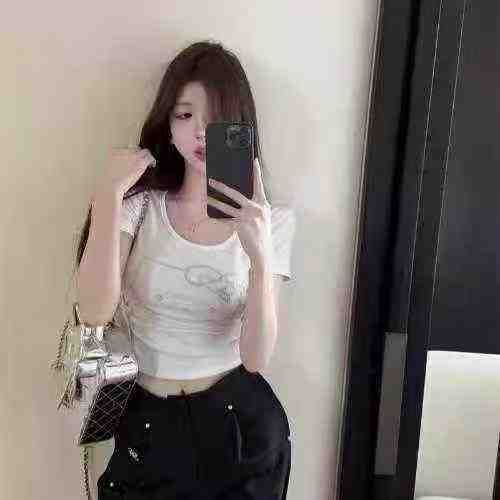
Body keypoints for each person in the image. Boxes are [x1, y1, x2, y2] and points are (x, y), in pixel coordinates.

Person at [75, 39, 296, 499]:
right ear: (168, 122)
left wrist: (259, 257)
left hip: (239, 430)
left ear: (239, 126)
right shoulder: (139, 206)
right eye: (185, 114)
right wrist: (107, 195)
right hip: (149, 423)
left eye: (216, 118)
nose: (199, 131)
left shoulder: (270, 221)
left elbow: (256, 358)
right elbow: (93, 311)